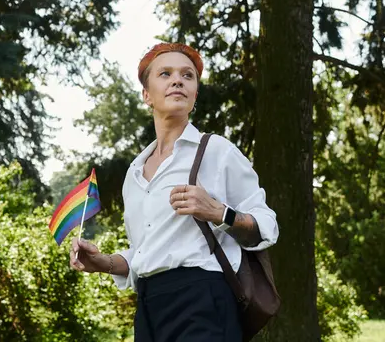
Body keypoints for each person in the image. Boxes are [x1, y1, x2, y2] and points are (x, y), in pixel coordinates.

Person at [69, 43, 279, 342]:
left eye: (187, 76)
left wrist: (219, 212)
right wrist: (103, 262)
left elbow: (266, 227)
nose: (177, 80)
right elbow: (145, 251)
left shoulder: (216, 151)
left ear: (194, 95)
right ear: (146, 95)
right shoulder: (134, 173)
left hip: (203, 301)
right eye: (165, 74)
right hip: (148, 307)